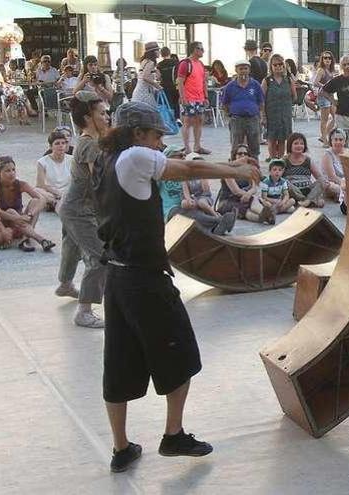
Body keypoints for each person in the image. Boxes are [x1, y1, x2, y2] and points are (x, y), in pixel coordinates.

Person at [92, 100, 259, 473]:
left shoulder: (105, 159)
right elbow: (188, 167)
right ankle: (173, 434)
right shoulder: (134, 156)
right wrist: (234, 168)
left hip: (116, 278)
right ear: (137, 134)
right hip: (144, 278)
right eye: (155, 136)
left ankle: (121, 447)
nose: (158, 144)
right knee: (181, 353)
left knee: (118, 363)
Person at [54, 91, 110, 327]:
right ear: (88, 118)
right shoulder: (90, 145)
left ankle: (65, 284)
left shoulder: (91, 142)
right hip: (79, 210)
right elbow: (99, 183)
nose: (107, 117)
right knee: (99, 258)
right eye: (102, 113)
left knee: (73, 247)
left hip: (70, 207)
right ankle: (84, 311)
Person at [0, 156, 55, 252]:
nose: (12, 173)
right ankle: (40, 239)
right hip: (2, 222)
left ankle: (25, 237)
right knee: (11, 211)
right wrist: (18, 218)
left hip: (20, 222)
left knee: (35, 202)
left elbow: (41, 199)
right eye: (8, 171)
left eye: (13, 170)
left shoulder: (21, 184)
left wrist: (29, 214)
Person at [222, 60, 264, 160]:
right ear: (236, 70)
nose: (243, 71)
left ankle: (254, 166)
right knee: (236, 145)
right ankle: (234, 167)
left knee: (254, 145)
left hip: (253, 118)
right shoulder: (230, 86)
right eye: (241, 69)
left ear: (249, 70)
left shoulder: (255, 85)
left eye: (245, 68)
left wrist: (259, 115)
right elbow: (225, 103)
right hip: (237, 119)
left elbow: (261, 102)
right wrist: (230, 114)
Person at [176, 42, 211, 155]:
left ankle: (197, 146)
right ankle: (187, 147)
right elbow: (180, 82)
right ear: (193, 50)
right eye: (199, 48)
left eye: (202, 48)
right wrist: (183, 97)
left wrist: (205, 96)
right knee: (187, 122)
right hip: (188, 97)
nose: (202, 50)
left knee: (199, 121)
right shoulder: (185, 63)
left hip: (199, 97)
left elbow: (203, 82)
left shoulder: (200, 64)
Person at [263, 54, 297, 160]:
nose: (278, 67)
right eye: (275, 65)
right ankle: (273, 159)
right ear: (271, 67)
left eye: (280, 64)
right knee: (271, 139)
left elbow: (294, 96)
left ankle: (281, 159)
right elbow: (261, 99)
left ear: (284, 66)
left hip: (285, 114)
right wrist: (263, 115)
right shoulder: (267, 81)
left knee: (283, 139)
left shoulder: (288, 80)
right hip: (271, 114)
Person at [281, 133, 324, 208]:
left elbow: (319, 177)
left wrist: (322, 184)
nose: (299, 146)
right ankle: (309, 200)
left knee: (322, 181)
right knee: (285, 183)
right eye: (296, 143)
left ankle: (307, 201)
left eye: (301, 143)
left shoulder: (308, 160)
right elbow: (277, 178)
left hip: (307, 189)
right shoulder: (285, 160)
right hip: (293, 190)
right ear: (290, 145)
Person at [216, 145, 259, 219]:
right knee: (246, 208)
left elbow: (254, 187)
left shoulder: (249, 169)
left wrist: (249, 194)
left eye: (245, 154)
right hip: (227, 201)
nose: (243, 155)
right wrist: (248, 195)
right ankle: (262, 217)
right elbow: (236, 191)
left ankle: (266, 215)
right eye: (240, 153)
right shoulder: (228, 169)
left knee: (256, 201)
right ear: (234, 156)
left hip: (242, 199)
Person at [247, 159, 296, 224]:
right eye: (274, 169)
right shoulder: (266, 182)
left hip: (279, 202)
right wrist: (274, 201)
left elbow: (286, 194)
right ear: (270, 171)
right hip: (270, 201)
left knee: (292, 201)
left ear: (282, 172)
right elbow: (264, 196)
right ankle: (273, 211)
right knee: (267, 204)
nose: (277, 172)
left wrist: (282, 202)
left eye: (280, 170)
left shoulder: (283, 181)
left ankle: (274, 211)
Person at [35, 131, 73, 211]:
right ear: (50, 146)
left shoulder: (72, 160)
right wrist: (57, 193)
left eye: (63, 143)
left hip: (67, 192)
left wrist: (65, 193)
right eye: (57, 143)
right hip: (51, 193)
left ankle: (56, 204)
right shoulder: (42, 162)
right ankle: (55, 203)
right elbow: (40, 184)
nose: (61, 146)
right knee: (37, 191)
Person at [313, 51, 337, 146]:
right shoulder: (321, 70)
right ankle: (324, 140)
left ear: (332, 60)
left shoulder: (331, 70)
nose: (327, 59)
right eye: (325, 58)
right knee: (324, 119)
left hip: (330, 96)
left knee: (336, 116)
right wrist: (325, 86)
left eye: (329, 58)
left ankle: (324, 136)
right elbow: (315, 82)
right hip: (323, 96)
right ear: (322, 60)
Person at [131, 42, 162, 108]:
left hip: (139, 91)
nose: (159, 52)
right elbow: (145, 77)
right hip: (145, 93)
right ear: (153, 52)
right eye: (157, 50)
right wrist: (157, 85)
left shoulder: (144, 61)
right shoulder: (151, 63)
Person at [320, 129, 347, 201]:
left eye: (341, 140)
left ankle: (342, 196)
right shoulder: (327, 154)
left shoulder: (347, 154)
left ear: (344, 141)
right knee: (334, 188)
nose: (338, 142)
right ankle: (343, 195)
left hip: (344, 182)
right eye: (335, 139)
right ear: (331, 141)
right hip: (331, 183)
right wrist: (346, 185)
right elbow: (332, 177)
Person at [157, 48, 180, 120]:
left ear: (161, 54)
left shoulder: (159, 65)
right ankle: (177, 118)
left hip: (165, 86)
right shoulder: (176, 62)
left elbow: (158, 77)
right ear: (169, 53)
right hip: (175, 85)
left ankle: (169, 118)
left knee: (168, 103)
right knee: (176, 102)